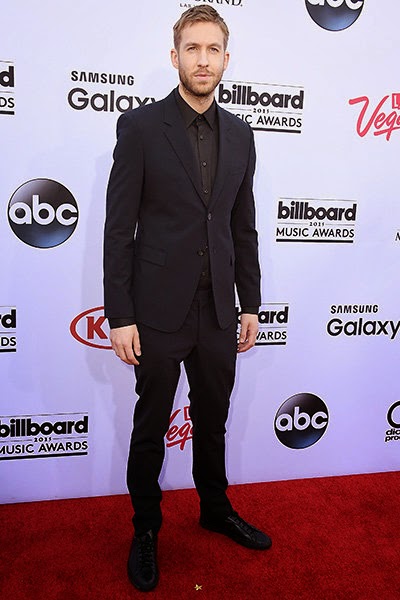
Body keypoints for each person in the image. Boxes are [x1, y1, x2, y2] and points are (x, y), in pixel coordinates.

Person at [103, 5, 271, 592]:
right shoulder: (141, 128)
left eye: (213, 49)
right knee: (151, 422)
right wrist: (120, 314)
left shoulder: (242, 134)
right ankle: (146, 528)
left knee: (213, 418)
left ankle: (214, 508)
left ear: (226, 59)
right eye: (192, 49)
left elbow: (243, 226)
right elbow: (118, 229)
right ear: (175, 56)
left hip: (219, 310)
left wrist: (250, 302)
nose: (203, 60)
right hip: (156, 311)